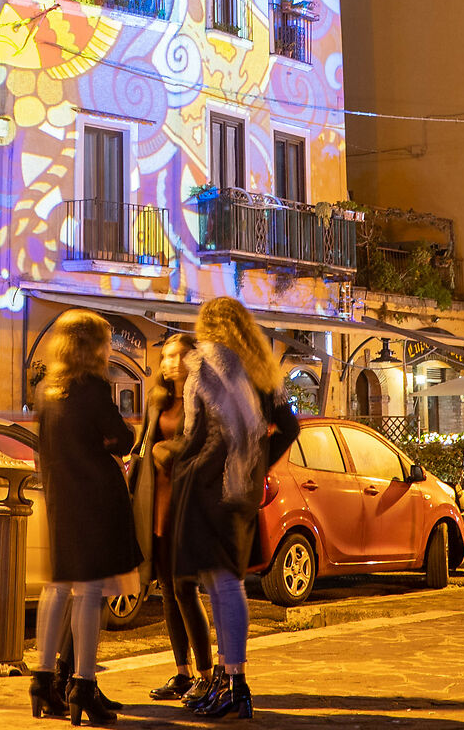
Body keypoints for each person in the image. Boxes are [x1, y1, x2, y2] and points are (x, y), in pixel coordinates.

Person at [158, 299, 300, 721]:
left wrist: (175, 459)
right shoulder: (263, 369)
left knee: (220, 586)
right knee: (224, 584)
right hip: (242, 491)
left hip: (208, 488)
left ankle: (235, 683)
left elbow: (193, 430)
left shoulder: (205, 365)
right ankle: (226, 677)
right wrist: (256, 464)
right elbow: (289, 427)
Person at [28, 312, 139, 725]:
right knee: (89, 594)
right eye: (106, 343)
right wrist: (117, 436)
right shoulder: (91, 388)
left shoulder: (46, 389)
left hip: (60, 496)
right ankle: (83, 685)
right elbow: (121, 439)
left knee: (57, 588)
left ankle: (42, 678)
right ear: (92, 347)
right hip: (95, 499)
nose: (110, 351)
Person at [129, 333, 212, 703]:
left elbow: (202, 446)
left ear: (194, 358)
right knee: (165, 590)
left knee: (185, 588)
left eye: (178, 355)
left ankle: (206, 675)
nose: (170, 363)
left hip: (185, 502)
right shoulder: (157, 400)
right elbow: (145, 442)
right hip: (156, 501)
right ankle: (182, 672)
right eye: (165, 356)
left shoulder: (202, 399)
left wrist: (169, 449)